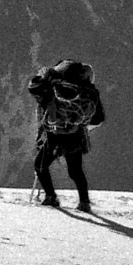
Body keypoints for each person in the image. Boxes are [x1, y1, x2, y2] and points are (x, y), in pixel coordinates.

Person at [29, 59, 105, 211]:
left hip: (54, 134)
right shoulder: (87, 92)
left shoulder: (53, 87)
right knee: (75, 171)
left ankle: (51, 196)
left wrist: (42, 132)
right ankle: (84, 202)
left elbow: (43, 106)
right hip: (74, 135)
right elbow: (97, 119)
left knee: (40, 165)